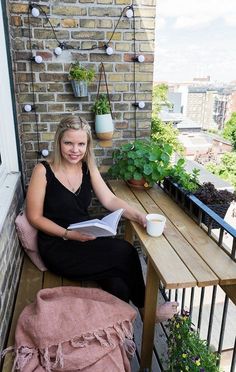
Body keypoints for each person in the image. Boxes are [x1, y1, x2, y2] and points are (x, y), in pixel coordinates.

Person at [26, 115, 178, 322]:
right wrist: (68, 234)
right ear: (58, 141)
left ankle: (121, 329)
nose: (75, 150)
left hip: (86, 237)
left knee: (119, 286)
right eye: (68, 143)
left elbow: (109, 199)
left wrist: (139, 216)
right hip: (58, 246)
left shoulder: (87, 166)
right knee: (126, 252)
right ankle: (147, 311)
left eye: (81, 144)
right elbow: (34, 217)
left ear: (87, 145)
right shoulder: (42, 170)